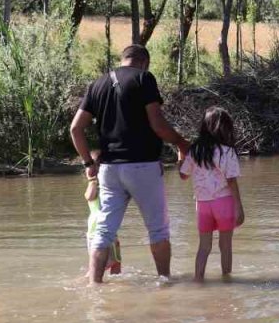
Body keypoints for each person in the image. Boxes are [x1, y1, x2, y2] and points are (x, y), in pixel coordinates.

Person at [69, 44, 190, 284]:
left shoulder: (98, 84)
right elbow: (157, 123)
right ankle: (164, 282)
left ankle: (94, 285)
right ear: (144, 62)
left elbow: (75, 128)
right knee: (158, 229)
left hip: (109, 170)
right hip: (143, 166)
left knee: (104, 230)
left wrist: (87, 162)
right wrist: (181, 143)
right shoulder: (144, 79)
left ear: (123, 59)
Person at [178, 106, 245, 282]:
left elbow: (183, 175)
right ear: (224, 128)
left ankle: (198, 280)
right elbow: (231, 181)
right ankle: (226, 280)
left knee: (204, 247)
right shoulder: (227, 151)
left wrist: (180, 158)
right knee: (225, 245)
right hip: (223, 202)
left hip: (202, 205)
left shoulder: (195, 151)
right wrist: (239, 207)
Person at [84, 152, 122, 275]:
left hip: (103, 228)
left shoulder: (108, 186)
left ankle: (116, 283)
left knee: (113, 262)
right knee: (100, 265)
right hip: (100, 228)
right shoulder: (95, 184)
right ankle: (83, 282)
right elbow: (89, 197)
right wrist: (93, 180)